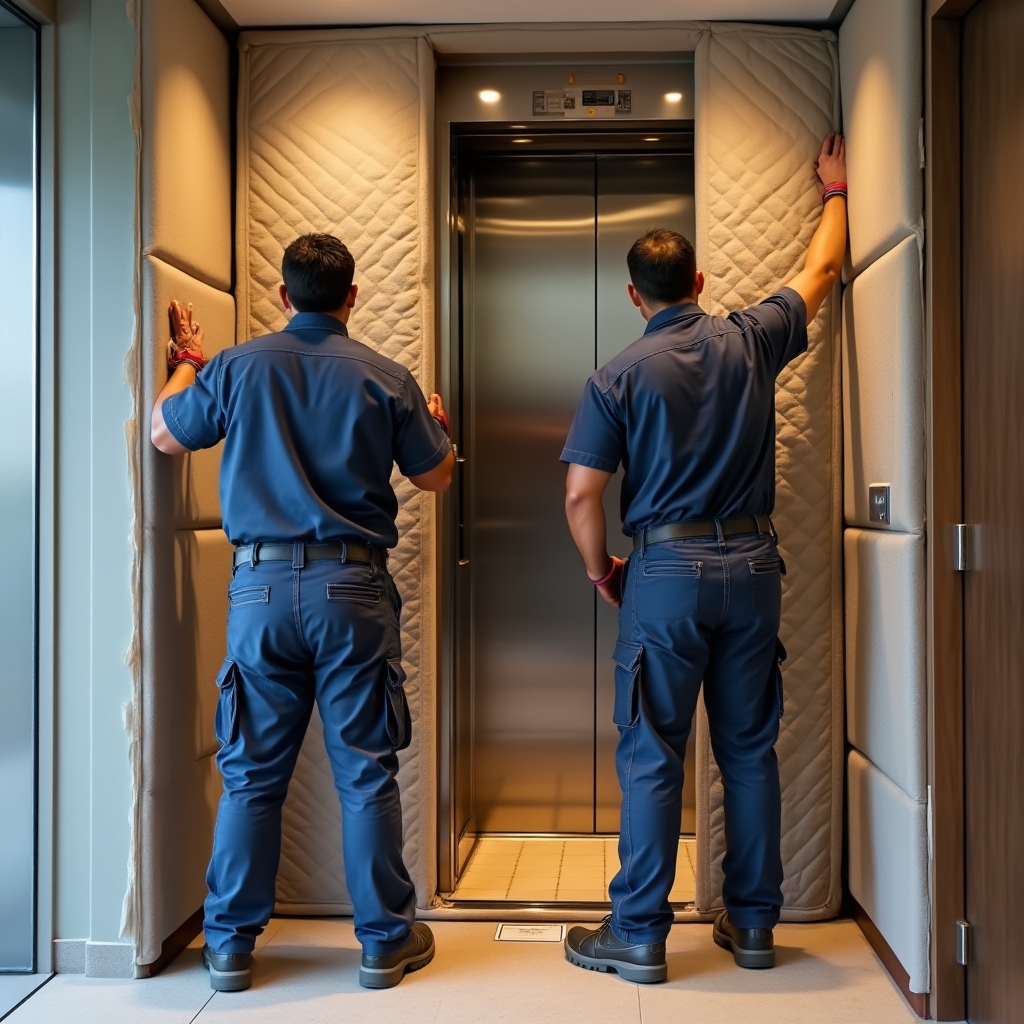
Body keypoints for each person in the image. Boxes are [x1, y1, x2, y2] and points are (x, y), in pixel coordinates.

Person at [559, 134, 848, 982]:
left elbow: (581, 495)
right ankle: (754, 927)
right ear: (700, 284)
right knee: (749, 750)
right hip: (755, 567)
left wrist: (599, 569)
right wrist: (835, 192)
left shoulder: (615, 375)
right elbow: (821, 274)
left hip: (664, 574)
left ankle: (640, 934)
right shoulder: (751, 336)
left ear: (631, 295)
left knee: (654, 752)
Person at [150, 233, 454, 992]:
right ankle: (384, 942)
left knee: (250, 775)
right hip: (351, 592)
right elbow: (437, 476)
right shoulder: (388, 377)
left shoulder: (239, 366)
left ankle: (228, 947)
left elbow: (164, 433)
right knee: (366, 774)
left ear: (284, 296)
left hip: (259, 594)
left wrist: (187, 360)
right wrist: (439, 426)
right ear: (352, 297)